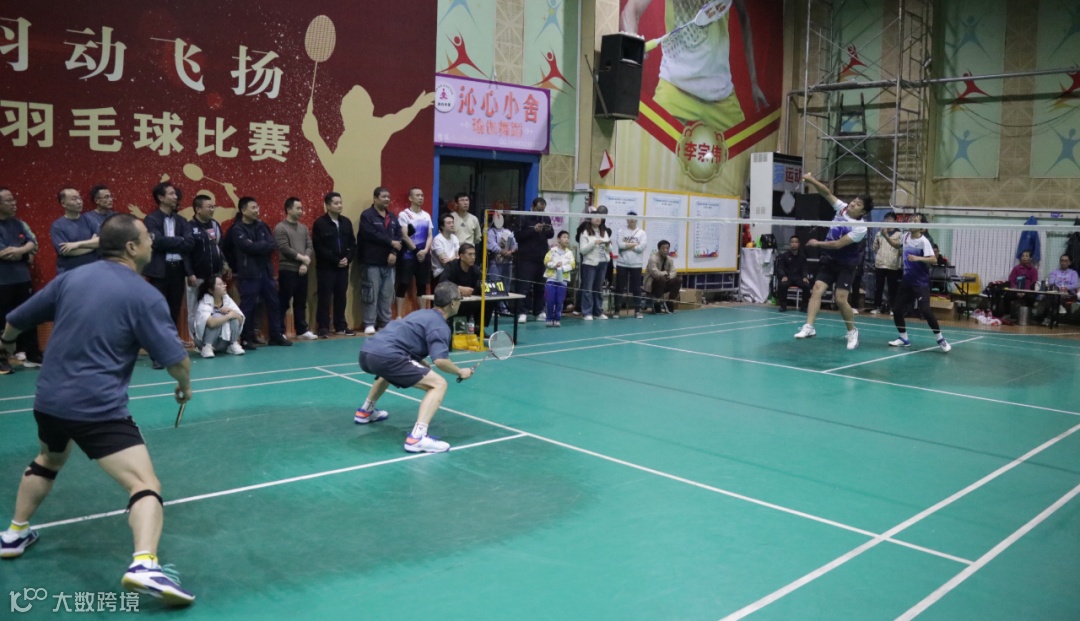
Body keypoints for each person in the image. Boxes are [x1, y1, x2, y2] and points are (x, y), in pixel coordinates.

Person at [0, 213, 195, 605]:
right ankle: (144, 564)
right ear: (131, 247)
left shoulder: (71, 279)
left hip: (49, 401)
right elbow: (176, 359)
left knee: (49, 458)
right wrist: (184, 386)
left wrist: (5, 345)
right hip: (97, 408)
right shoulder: (144, 295)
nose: (152, 242)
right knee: (145, 484)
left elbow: (15, 321)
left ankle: (14, 534)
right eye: (147, 237)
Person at [354, 281, 473, 453]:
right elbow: (440, 361)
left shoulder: (421, 313)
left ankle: (365, 411)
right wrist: (460, 371)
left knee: (388, 372)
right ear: (453, 303)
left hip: (367, 351)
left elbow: (403, 339)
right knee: (438, 384)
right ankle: (417, 438)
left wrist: (418, 361)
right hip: (388, 356)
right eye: (460, 299)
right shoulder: (440, 326)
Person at [620, 0, 767, 130]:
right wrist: (632, 43)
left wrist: (754, 83)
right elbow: (630, 11)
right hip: (675, 88)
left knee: (742, 147)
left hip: (720, 94)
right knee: (648, 143)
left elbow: (744, 18)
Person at [796, 172, 874, 350]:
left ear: (863, 211)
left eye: (858, 204)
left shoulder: (860, 228)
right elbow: (826, 192)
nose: (853, 204)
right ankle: (809, 327)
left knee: (840, 299)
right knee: (817, 289)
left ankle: (852, 331)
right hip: (830, 260)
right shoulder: (843, 208)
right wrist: (811, 179)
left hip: (846, 263)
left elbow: (838, 244)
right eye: (854, 201)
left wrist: (818, 243)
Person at [223, 197, 290, 349]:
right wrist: (259, 246)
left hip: (266, 273)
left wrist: (256, 246)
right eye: (253, 208)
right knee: (248, 306)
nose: (257, 210)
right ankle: (246, 338)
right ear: (243, 210)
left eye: (257, 207)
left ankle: (276, 335)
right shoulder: (237, 229)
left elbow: (271, 245)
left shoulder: (262, 226)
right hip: (249, 274)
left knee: (274, 303)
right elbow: (246, 247)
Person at [880, 215, 951, 351]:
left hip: (920, 282)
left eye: (915, 221)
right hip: (906, 281)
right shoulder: (905, 236)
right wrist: (886, 236)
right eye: (910, 220)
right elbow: (897, 245)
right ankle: (903, 338)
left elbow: (934, 260)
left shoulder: (923, 242)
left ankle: (940, 339)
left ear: (921, 227)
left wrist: (917, 258)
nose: (911, 222)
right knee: (897, 309)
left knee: (925, 310)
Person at [0, 187, 43, 374]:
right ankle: (2, 358)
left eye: (14, 200)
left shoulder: (18, 223)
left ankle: (33, 355)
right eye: (9, 200)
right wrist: (22, 252)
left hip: (22, 279)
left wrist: (19, 250)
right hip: (2, 282)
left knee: (29, 316)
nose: (14, 203)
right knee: (2, 321)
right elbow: (3, 253)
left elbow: (31, 243)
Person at [143, 182, 193, 344]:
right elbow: (156, 242)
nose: (175, 197)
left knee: (174, 309)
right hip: (159, 271)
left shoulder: (182, 220)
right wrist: (180, 240)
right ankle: (157, 346)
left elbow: (190, 243)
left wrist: (170, 241)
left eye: (175, 194)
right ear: (161, 197)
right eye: (171, 194)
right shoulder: (151, 219)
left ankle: (171, 342)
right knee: (158, 309)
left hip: (178, 270)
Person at [358, 186, 403, 335]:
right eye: (383, 197)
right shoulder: (367, 216)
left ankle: (384, 322)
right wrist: (390, 242)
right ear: (375, 198)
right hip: (372, 261)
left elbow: (399, 236)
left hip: (389, 263)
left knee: (387, 294)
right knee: (370, 293)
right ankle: (369, 322)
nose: (387, 199)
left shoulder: (392, 217)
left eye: (388, 197)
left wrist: (393, 252)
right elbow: (370, 234)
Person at [312, 192, 356, 338]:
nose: (339, 206)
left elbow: (352, 244)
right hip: (326, 268)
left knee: (341, 297)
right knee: (324, 297)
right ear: (328, 205)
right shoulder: (320, 223)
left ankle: (340, 326)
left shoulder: (346, 222)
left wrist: (347, 259)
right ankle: (323, 327)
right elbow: (319, 247)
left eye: (340, 203)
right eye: (336, 203)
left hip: (343, 268)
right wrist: (335, 260)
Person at [187, 195, 231, 338]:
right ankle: (196, 340)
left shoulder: (215, 224)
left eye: (213, 207)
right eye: (209, 207)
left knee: (215, 307)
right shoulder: (189, 226)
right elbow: (186, 253)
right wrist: (189, 273)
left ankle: (214, 339)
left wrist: (226, 265)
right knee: (194, 310)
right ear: (198, 209)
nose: (212, 209)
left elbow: (220, 246)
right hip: (197, 276)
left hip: (215, 276)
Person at [275, 197, 316, 340]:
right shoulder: (280, 227)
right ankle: (280, 331)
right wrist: (302, 259)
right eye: (298, 208)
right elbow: (284, 248)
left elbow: (309, 246)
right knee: (284, 301)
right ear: (288, 209)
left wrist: (305, 263)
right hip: (287, 270)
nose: (301, 211)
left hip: (303, 270)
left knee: (301, 301)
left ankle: (302, 330)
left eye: (301, 208)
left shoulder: (303, 228)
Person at [515, 197, 554, 323]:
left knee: (540, 286)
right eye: (538, 209)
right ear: (532, 206)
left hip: (541, 258)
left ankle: (539, 311)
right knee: (524, 287)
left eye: (543, 210)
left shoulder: (546, 218)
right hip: (526, 258)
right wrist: (533, 230)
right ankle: (522, 312)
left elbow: (551, 234)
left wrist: (547, 229)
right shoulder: (523, 217)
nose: (541, 212)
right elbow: (518, 236)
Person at [396, 187, 433, 318]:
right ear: (410, 198)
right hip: (408, 256)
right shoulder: (404, 214)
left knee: (422, 286)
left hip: (423, 256)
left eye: (422, 195)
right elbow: (404, 236)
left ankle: (421, 315)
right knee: (403, 284)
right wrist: (417, 251)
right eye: (417, 195)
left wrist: (425, 251)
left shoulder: (426, 215)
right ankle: (399, 316)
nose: (421, 197)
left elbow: (430, 235)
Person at [439, 242, 493, 331]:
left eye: (474, 254)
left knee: (489, 302)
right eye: (470, 254)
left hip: (468, 301)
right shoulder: (451, 266)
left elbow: (482, 285)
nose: (473, 257)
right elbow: (442, 281)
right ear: (461, 256)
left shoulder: (475, 269)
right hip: (452, 302)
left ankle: (478, 328)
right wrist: (459, 288)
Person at [193, 275, 245, 358]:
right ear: (211, 290)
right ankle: (207, 347)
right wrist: (229, 316)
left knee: (234, 317)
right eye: (220, 284)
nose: (224, 286)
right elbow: (211, 323)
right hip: (203, 341)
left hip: (223, 342)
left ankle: (233, 344)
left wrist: (232, 312)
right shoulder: (204, 302)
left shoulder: (227, 299)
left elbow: (241, 319)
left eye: (223, 284)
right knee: (217, 316)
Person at [50, 187, 99, 273]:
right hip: (70, 272)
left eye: (79, 198)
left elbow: (102, 241)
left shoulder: (90, 220)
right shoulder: (57, 226)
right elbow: (66, 251)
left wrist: (77, 244)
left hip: (92, 270)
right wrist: (92, 246)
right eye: (74, 199)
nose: (79, 202)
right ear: (63, 204)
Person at [579, 206, 613, 320]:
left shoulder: (604, 232)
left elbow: (610, 248)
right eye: (595, 217)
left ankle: (598, 312)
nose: (598, 219)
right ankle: (587, 312)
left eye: (599, 217)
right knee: (588, 289)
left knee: (598, 289)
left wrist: (607, 244)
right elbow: (583, 250)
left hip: (603, 263)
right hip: (589, 264)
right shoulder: (585, 232)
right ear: (590, 219)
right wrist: (594, 243)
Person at [614, 211, 647, 319]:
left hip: (636, 264)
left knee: (636, 288)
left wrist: (627, 245)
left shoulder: (642, 233)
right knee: (619, 288)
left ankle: (637, 311)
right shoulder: (621, 231)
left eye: (633, 218)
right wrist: (635, 244)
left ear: (636, 219)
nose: (631, 220)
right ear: (627, 219)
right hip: (622, 263)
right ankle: (617, 310)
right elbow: (620, 245)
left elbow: (641, 247)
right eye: (629, 218)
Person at [485, 212, 517, 316]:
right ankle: (493, 309)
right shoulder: (490, 232)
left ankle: (504, 308)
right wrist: (502, 251)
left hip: (507, 262)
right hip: (495, 262)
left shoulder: (508, 232)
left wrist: (511, 251)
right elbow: (491, 245)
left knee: (506, 285)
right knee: (494, 284)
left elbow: (515, 245)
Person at [870, 214, 902, 314]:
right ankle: (877, 307)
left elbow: (900, 249)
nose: (888, 221)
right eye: (886, 219)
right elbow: (875, 247)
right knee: (878, 287)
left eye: (891, 219)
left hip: (893, 265)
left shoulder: (899, 234)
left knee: (892, 288)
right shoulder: (879, 233)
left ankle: (892, 308)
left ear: (895, 221)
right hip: (880, 264)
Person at [543, 231, 575, 327]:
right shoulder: (552, 251)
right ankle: (549, 318)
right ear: (558, 239)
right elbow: (546, 261)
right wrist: (554, 266)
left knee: (559, 301)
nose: (566, 239)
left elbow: (572, 265)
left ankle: (557, 319)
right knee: (550, 300)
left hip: (563, 280)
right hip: (551, 279)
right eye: (564, 237)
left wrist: (562, 268)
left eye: (568, 238)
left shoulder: (569, 253)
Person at [1038, 253, 1078, 326]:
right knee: (1053, 293)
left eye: (1066, 261)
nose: (1063, 262)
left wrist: (1065, 288)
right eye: (1062, 260)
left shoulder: (1073, 273)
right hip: (1056, 292)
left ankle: (1048, 317)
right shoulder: (1054, 272)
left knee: (1052, 296)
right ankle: (1054, 314)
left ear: (1070, 262)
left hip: (1068, 294)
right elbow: (1051, 282)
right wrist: (1060, 288)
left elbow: (1075, 285)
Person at [775, 235, 811, 312]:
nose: (794, 244)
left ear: (799, 244)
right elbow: (780, 268)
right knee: (782, 285)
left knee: (807, 285)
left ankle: (804, 307)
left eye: (796, 242)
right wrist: (783, 276)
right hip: (788, 277)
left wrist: (804, 277)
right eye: (792, 242)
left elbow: (805, 268)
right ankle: (783, 306)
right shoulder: (784, 256)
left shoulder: (802, 256)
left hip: (798, 278)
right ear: (790, 244)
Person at [644, 240, 681, 313]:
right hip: (652, 285)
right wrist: (665, 273)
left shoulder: (669, 259)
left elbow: (674, 271)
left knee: (678, 280)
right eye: (663, 248)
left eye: (667, 248)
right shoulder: (653, 258)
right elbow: (655, 273)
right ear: (659, 249)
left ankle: (670, 302)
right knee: (661, 279)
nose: (665, 250)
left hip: (664, 283)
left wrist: (669, 275)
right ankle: (656, 302)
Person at [1003, 250, 1039, 319]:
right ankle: (1007, 314)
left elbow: (1034, 282)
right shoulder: (1016, 268)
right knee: (1007, 296)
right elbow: (1011, 280)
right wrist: (1016, 290)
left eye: (1026, 256)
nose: (1024, 258)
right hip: (1015, 290)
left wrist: (1025, 291)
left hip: (1027, 291)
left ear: (1030, 258)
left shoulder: (1033, 270)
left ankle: (1028, 316)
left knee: (1031, 298)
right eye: (1023, 256)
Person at [431, 213, 459, 281]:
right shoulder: (438, 240)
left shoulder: (454, 237)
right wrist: (455, 258)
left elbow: (459, 256)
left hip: (454, 269)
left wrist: (451, 259)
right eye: (449, 223)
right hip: (440, 272)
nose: (452, 225)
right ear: (442, 226)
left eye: (452, 222)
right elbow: (445, 263)